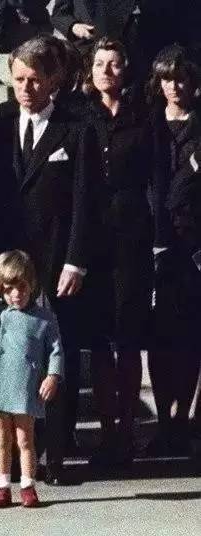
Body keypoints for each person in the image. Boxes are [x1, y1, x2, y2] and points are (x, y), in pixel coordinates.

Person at [0, 38, 89, 484]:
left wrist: (75, 261)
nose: (26, 89)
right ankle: (8, 457)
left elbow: (85, 200)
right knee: (11, 356)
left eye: (34, 80)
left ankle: (55, 453)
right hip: (9, 262)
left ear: (54, 80)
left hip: (54, 258)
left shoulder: (75, 129)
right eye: (18, 80)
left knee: (54, 353)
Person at [80, 38, 153, 466]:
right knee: (98, 340)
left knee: (127, 337)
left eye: (114, 63)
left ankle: (126, 429)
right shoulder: (80, 115)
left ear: (127, 69)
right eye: (99, 63)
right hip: (92, 237)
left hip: (132, 237)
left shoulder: (142, 116)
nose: (106, 71)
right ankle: (107, 429)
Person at [0, 250, 64, 508]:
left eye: (22, 287)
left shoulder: (44, 318)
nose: (16, 294)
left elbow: (56, 350)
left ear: (32, 284)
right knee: (0, 439)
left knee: (25, 439)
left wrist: (52, 376)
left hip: (25, 385)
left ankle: (28, 485)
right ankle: (2, 487)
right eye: (8, 289)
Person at [147, 44, 201, 457]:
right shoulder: (148, 125)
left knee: (190, 336)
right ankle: (163, 421)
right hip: (153, 243)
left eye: (180, 78)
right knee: (159, 337)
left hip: (194, 245)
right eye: (167, 79)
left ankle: (185, 417)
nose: (174, 86)